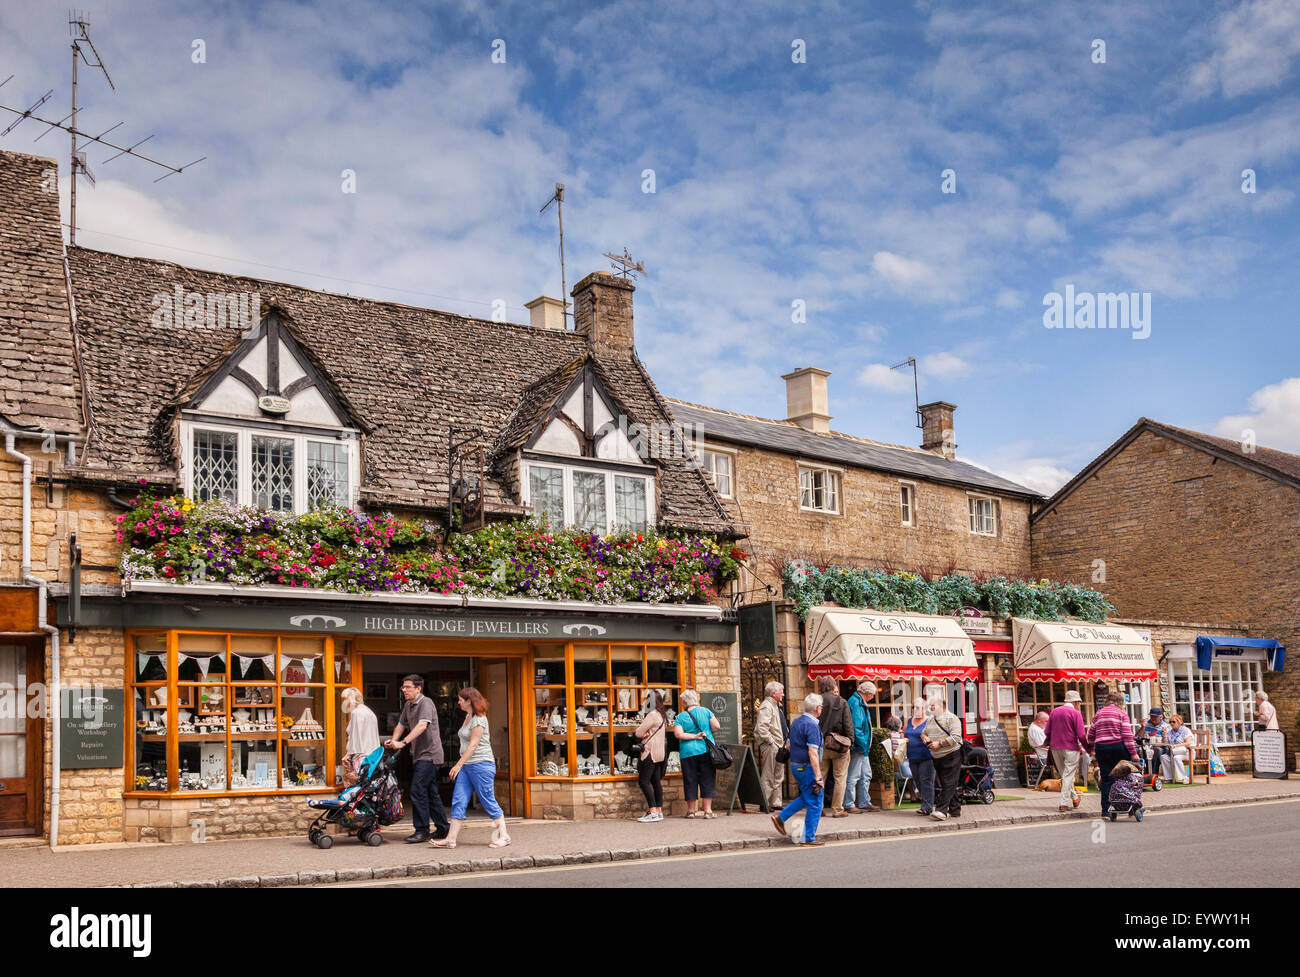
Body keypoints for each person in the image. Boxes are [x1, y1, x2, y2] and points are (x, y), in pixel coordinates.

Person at [430, 687, 510, 850]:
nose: (458, 701)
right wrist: (462, 765)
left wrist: (458, 765)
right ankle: (450, 839)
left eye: (460, 699)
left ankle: (504, 836)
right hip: (467, 766)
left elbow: (473, 745)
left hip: (481, 765)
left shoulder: (479, 719)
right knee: (458, 800)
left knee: (487, 800)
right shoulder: (468, 716)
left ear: (469, 701)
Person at [386, 674, 448, 843]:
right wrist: (395, 741)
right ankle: (443, 828)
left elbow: (422, 725)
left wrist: (403, 742)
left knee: (417, 790)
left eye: (407, 687)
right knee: (430, 792)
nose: (403, 690)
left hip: (430, 755)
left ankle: (422, 831)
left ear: (418, 688)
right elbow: (401, 724)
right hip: (420, 755)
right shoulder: (408, 705)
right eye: (403, 687)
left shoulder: (425, 703)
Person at [771, 693, 826, 846]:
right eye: (821, 707)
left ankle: (780, 818)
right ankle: (808, 838)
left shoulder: (796, 722)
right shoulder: (812, 725)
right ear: (817, 708)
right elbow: (813, 752)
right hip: (807, 767)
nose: (821, 709)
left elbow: (788, 745)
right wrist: (818, 776)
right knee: (815, 802)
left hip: (796, 766)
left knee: (807, 797)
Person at [1087, 691, 1140, 816]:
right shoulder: (1122, 714)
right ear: (1120, 703)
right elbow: (1127, 735)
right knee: (1125, 778)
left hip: (1102, 749)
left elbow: (1091, 734)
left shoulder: (1098, 714)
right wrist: (1133, 753)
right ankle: (1129, 808)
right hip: (1118, 747)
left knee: (1106, 780)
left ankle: (1106, 811)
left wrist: (1092, 747)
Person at [673, 689, 721, 818]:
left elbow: (678, 734)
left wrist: (694, 736)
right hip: (706, 750)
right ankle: (708, 811)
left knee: (690, 780)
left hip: (688, 753)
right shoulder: (706, 711)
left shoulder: (680, 717)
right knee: (707, 779)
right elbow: (717, 726)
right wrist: (706, 732)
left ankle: (691, 811)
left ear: (684, 702)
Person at [816, 676, 854, 818]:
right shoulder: (841, 702)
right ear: (833, 686)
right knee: (840, 777)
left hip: (819, 744)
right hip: (838, 745)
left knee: (819, 777)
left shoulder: (816, 701)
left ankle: (817, 808)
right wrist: (850, 743)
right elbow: (848, 725)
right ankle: (837, 810)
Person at [1046, 691, 1090, 813]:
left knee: (1065, 776)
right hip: (1070, 747)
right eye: (1079, 703)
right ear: (1075, 702)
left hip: (1055, 747)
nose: (1079, 705)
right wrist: (1088, 749)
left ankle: (1075, 798)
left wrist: (1047, 742)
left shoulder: (1054, 712)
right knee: (1067, 776)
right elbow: (1081, 734)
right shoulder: (1076, 713)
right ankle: (1063, 803)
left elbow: (1047, 731)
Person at [924, 694, 964, 821]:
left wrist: (939, 744)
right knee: (949, 783)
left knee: (948, 783)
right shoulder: (930, 720)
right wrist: (925, 738)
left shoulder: (952, 718)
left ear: (941, 706)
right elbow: (923, 733)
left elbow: (956, 737)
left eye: (933, 705)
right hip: (937, 757)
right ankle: (955, 809)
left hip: (951, 755)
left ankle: (941, 811)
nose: (930, 708)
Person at [634, 691, 670, 822]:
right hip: (660, 753)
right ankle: (659, 811)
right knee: (655, 781)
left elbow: (638, 733)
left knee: (643, 781)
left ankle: (652, 811)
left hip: (650, 752)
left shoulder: (652, 715)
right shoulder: (662, 714)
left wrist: (643, 734)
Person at [753, 681, 790, 810]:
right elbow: (762, 728)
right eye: (781, 692)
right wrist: (772, 743)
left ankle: (776, 801)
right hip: (772, 745)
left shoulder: (775, 706)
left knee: (778, 775)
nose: (783, 695)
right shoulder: (767, 706)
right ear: (773, 693)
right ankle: (764, 802)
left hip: (778, 745)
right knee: (769, 774)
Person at [844, 680, 879, 813]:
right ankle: (849, 803)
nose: (873, 697)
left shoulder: (857, 701)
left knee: (866, 774)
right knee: (854, 776)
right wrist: (863, 744)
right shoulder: (857, 703)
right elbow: (856, 728)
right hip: (859, 746)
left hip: (861, 747)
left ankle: (864, 802)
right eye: (873, 695)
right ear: (868, 693)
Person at [340, 687, 380, 787]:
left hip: (361, 757)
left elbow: (356, 736)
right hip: (371, 756)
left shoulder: (356, 713)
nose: (344, 703)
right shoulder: (368, 711)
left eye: (345, 699)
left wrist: (348, 755)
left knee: (358, 787)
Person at [903, 698, 935, 815]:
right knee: (918, 781)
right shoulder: (909, 720)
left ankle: (927, 807)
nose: (915, 710)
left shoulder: (930, 721)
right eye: (914, 708)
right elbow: (903, 732)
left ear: (924, 709)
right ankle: (927, 803)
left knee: (926, 781)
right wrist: (903, 739)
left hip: (927, 757)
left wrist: (929, 739)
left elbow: (936, 737)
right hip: (912, 756)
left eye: (918, 708)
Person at [1165, 714, 1195, 783]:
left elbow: (1188, 743)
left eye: (1173, 722)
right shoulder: (1170, 732)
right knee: (1164, 757)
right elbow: (1166, 742)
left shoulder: (1186, 730)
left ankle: (1184, 778)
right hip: (1174, 752)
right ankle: (1169, 778)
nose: (1171, 723)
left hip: (1188, 753)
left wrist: (1176, 746)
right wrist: (1164, 734)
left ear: (1179, 722)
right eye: (1170, 722)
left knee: (1177, 758)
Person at [1143, 708, 1171, 773]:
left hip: (1162, 748)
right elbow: (1138, 736)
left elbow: (1166, 743)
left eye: (1155, 716)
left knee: (1157, 751)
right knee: (1138, 751)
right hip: (1146, 748)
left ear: (1160, 717)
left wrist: (1164, 733)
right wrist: (1142, 727)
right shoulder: (1146, 725)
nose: (1153, 718)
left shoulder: (1166, 726)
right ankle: (1141, 775)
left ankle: (1153, 774)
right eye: (1151, 716)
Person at [1027, 710, 1050, 781]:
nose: (1048, 723)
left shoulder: (1039, 727)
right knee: (1069, 759)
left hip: (1047, 754)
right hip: (1045, 756)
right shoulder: (1035, 730)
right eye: (1046, 721)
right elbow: (1044, 745)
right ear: (1039, 721)